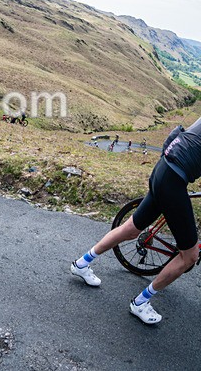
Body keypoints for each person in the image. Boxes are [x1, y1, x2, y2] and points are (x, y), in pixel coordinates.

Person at [70, 118, 201, 324]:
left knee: (131, 229)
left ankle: (82, 263)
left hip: (163, 169)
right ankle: (141, 303)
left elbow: (183, 135)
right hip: (173, 179)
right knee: (190, 256)